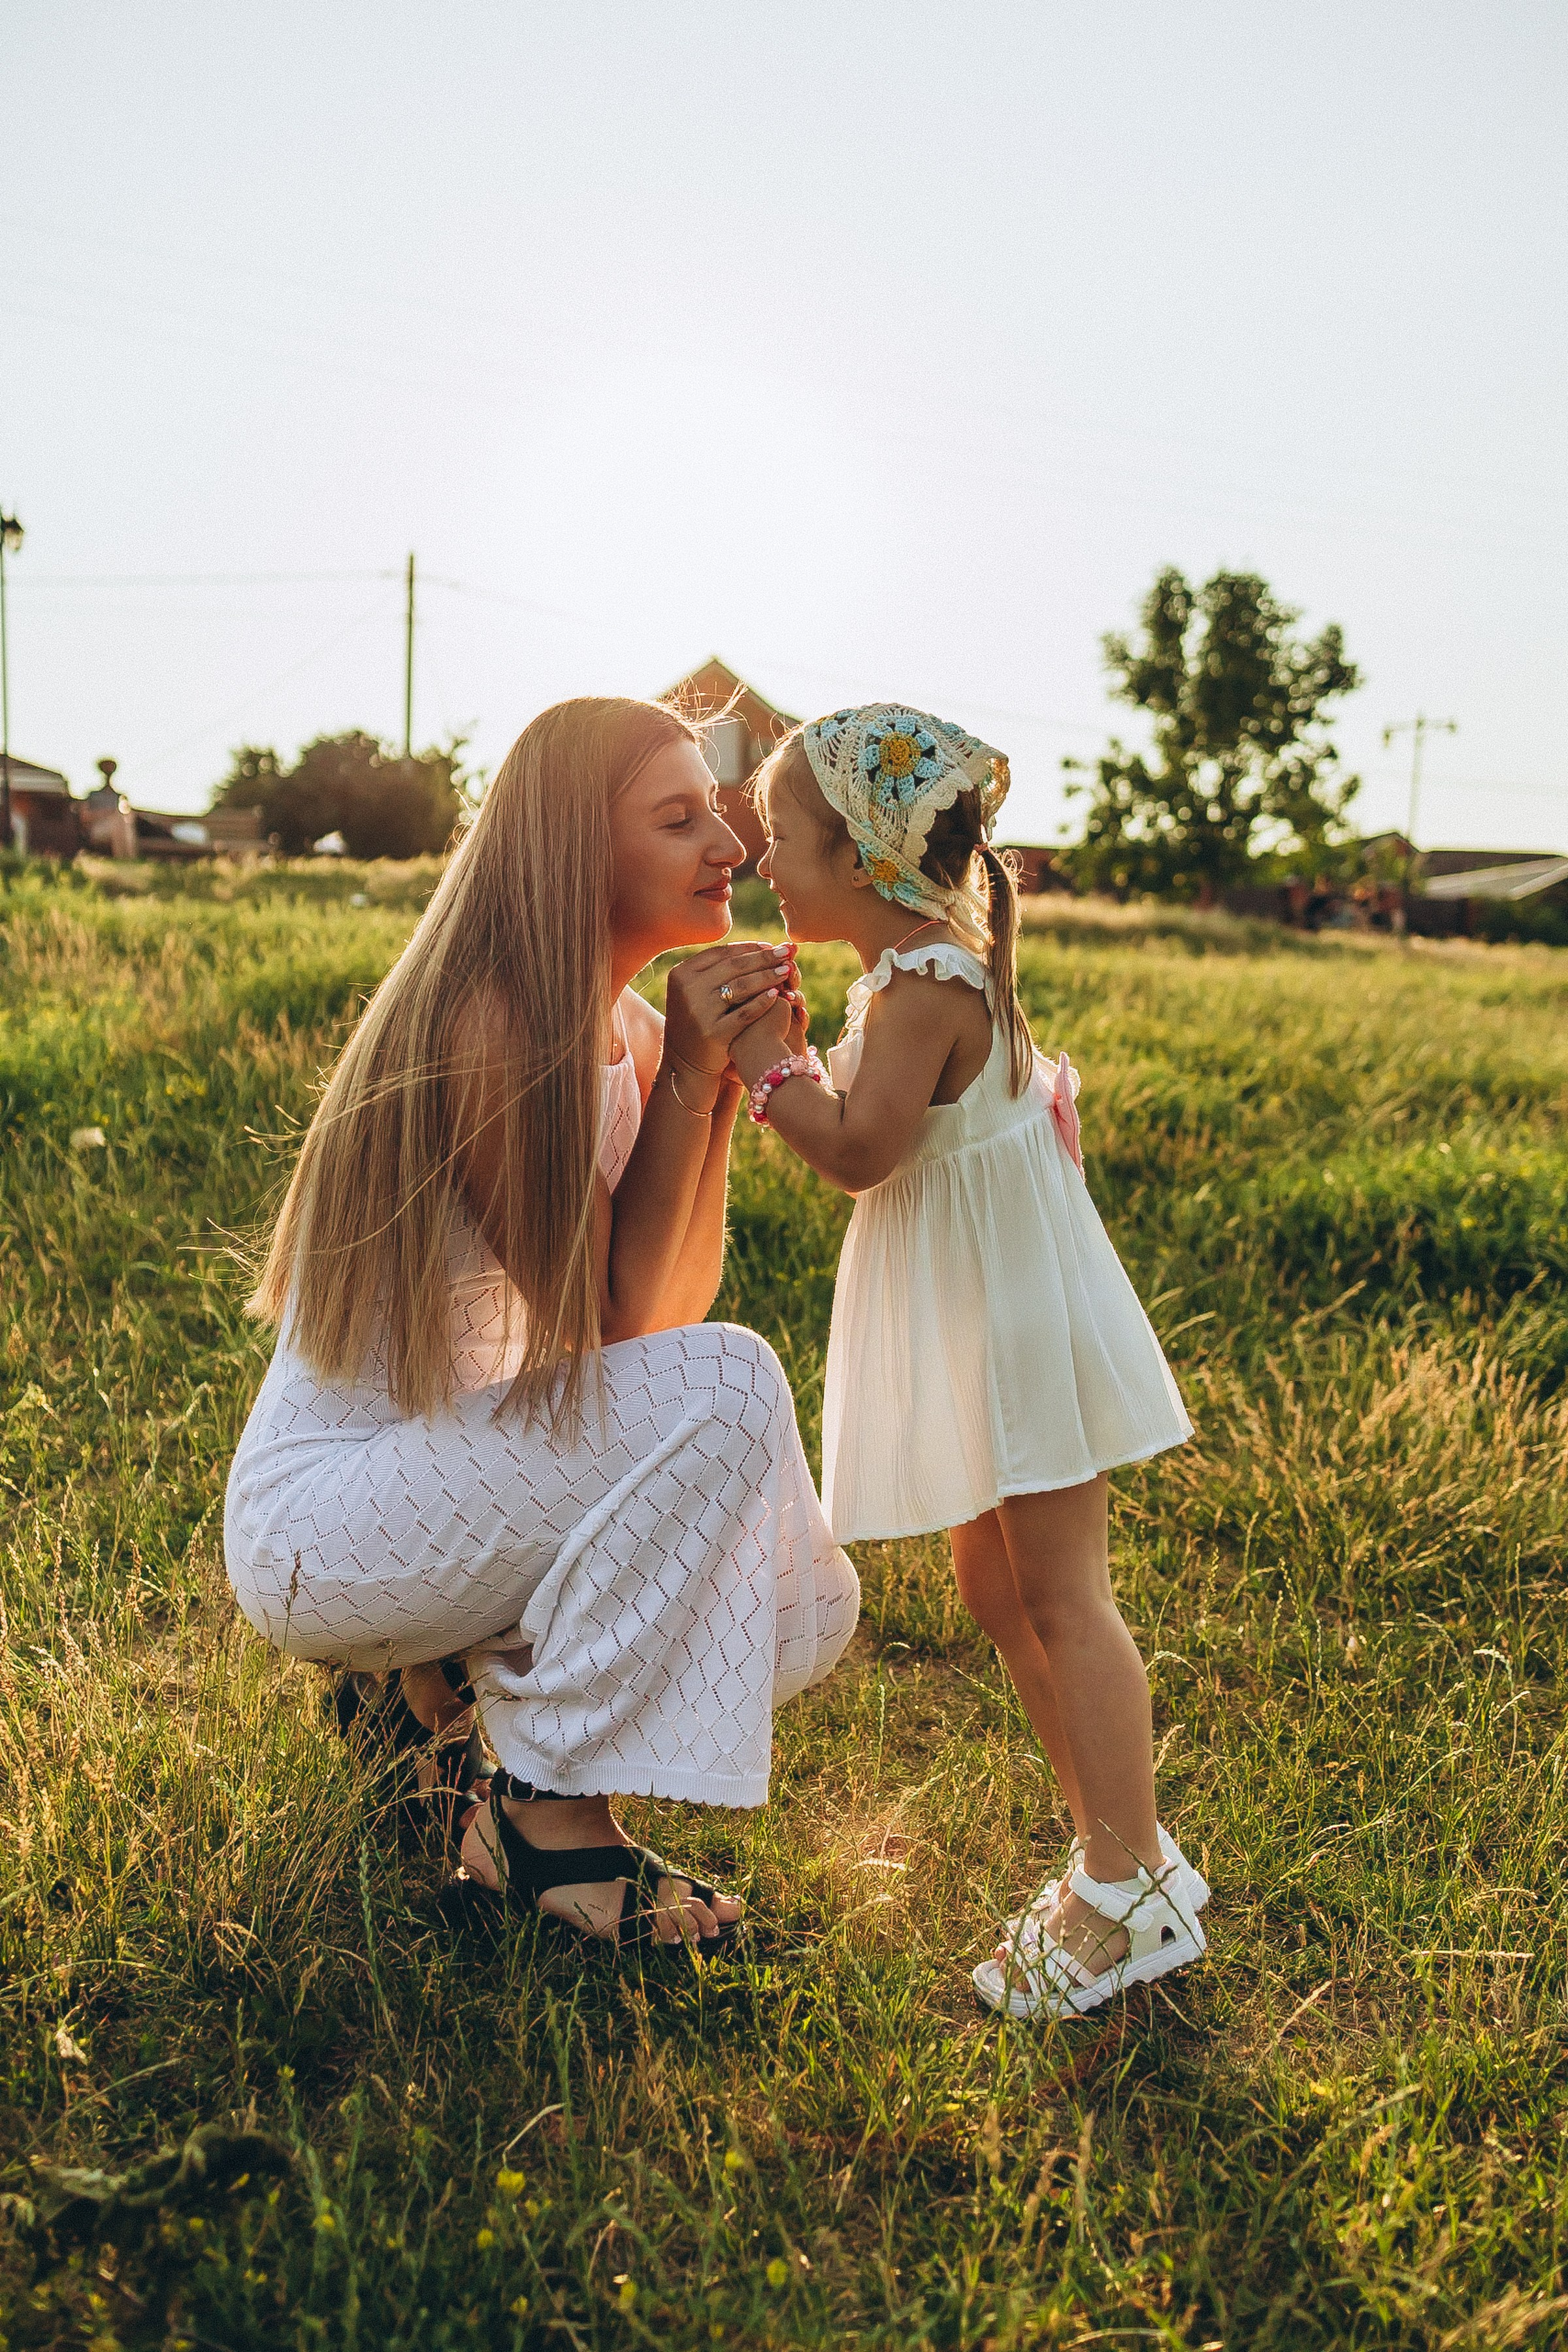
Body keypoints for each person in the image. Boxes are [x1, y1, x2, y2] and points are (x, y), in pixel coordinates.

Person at [225, 696, 859, 1953]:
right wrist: (691, 1070)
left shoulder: (620, 1027)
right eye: (679, 820)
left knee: (801, 1600)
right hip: (329, 1519)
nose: (729, 845)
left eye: (718, 812)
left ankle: (437, 1707)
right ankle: (542, 1826)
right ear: (577, 850)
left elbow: (655, 1325)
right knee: (732, 1389)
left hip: (448, 1468)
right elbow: (612, 1323)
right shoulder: (496, 1023)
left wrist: (713, 1079)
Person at [728, 704, 1206, 2018]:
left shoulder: (934, 980)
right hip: (981, 1314)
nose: (763, 859)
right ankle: (1117, 1846)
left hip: (1012, 1323)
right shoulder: (917, 974)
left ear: (866, 854)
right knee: (997, 1589)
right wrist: (805, 1045)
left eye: (783, 836)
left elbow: (862, 1152)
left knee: (1062, 1595)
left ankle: (1127, 1890)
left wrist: (766, 1065)